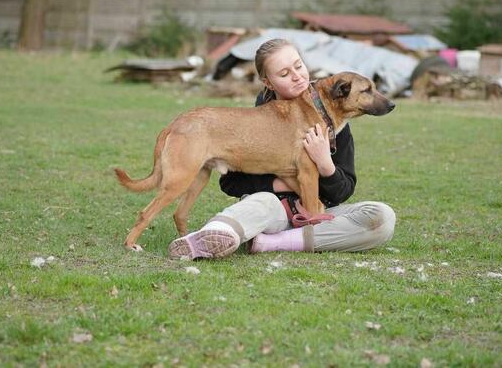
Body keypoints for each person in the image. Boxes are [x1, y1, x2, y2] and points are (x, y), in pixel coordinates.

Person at [168, 38, 396, 259]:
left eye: (299, 66)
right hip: (273, 210)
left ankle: (271, 243)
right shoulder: (257, 119)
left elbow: (342, 192)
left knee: (381, 216)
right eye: (285, 74)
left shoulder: (335, 123)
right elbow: (230, 183)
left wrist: (325, 163)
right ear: (268, 82)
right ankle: (212, 236)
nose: (297, 77)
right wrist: (284, 181)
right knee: (259, 205)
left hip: (319, 215)